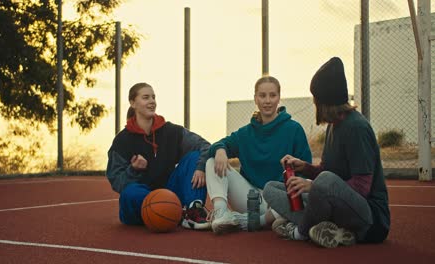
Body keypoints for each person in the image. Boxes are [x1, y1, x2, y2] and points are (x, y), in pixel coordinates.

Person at [262, 57, 391, 248]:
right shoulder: (334, 126)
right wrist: (304, 167)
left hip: (370, 220)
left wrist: (313, 186)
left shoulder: (357, 127)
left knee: (324, 181)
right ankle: (332, 230)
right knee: (271, 188)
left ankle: (300, 231)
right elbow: (327, 170)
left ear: (325, 101)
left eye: (316, 99)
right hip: (335, 204)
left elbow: (362, 187)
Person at [205, 75, 312, 234]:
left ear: (279, 98)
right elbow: (218, 145)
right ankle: (221, 214)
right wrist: (220, 150)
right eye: (262, 96)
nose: (267, 101)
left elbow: (306, 173)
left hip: (279, 202)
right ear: (255, 98)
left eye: (272, 95)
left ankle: (262, 221)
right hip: (251, 199)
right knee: (212, 161)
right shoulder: (246, 133)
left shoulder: (294, 130)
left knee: (303, 190)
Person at [106, 82, 211, 230]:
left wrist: (201, 168)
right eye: (146, 97)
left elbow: (206, 146)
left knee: (194, 157)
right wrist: (133, 169)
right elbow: (117, 181)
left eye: (153, 97)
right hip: (143, 198)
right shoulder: (122, 140)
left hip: (171, 194)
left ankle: (193, 211)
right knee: (129, 194)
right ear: (133, 103)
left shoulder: (172, 131)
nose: (151, 101)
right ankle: (170, 213)